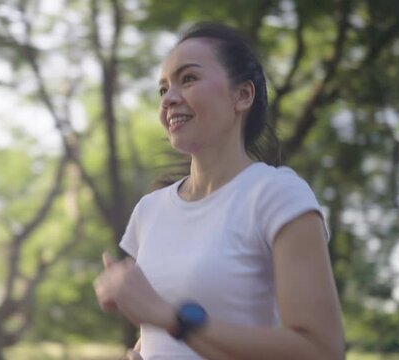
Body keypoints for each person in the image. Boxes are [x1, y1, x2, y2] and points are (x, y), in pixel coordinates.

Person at [93, 22, 344, 360]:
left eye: (189, 79)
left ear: (243, 95)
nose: (169, 98)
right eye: (163, 89)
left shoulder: (277, 194)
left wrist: (170, 318)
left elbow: (321, 350)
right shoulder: (149, 211)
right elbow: (156, 337)